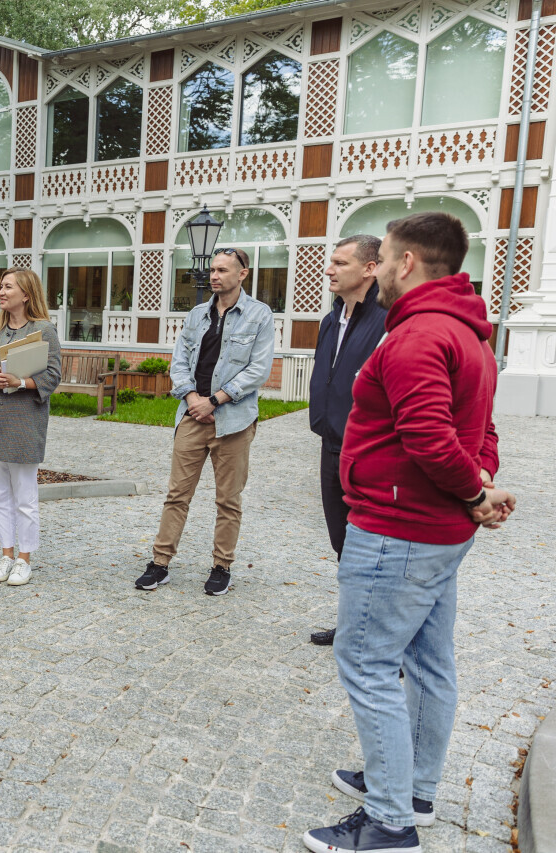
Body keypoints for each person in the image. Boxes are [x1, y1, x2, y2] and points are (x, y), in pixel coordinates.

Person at [304, 212, 517, 853]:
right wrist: (480, 483)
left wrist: (474, 492)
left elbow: (429, 436)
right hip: (436, 531)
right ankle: (413, 788)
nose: (380, 274)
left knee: (368, 665)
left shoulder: (419, 334)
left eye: (387, 258)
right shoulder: (467, 332)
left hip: (398, 530)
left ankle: (390, 822)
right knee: (427, 662)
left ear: (405, 262)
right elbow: (481, 430)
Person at [135, 247, 275, 596]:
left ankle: (221, 566)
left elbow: (258, 370)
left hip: (234, 421)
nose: (214, 276)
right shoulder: (197, 314)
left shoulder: (259, 315)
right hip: (192, 416)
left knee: (228, 499)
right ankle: (160, 563)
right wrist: (192, 399)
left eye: (222, 270)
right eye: (212, 269)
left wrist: (215, 400)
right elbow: (179, 361)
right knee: (176, 495)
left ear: (242, 274)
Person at [306, 235, 386, 647]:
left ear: (370, 268)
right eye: (331, 262)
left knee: (372, 544)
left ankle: (385, 638)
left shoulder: (387, 320)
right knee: (343, 541)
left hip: (367, 450)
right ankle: (355, 624)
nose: (329, 270)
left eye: (340, 263)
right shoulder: (330, 319)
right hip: (331, 444)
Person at [0, 268, 62, 586]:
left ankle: (24, 559)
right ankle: (6, 554)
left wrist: (19, 381)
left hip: (23, 424)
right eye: (1, 286)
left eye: (8, 287)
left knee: (25, 497)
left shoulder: (44, 329)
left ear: (26, 294)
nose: (1, 292)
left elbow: (53, 375)